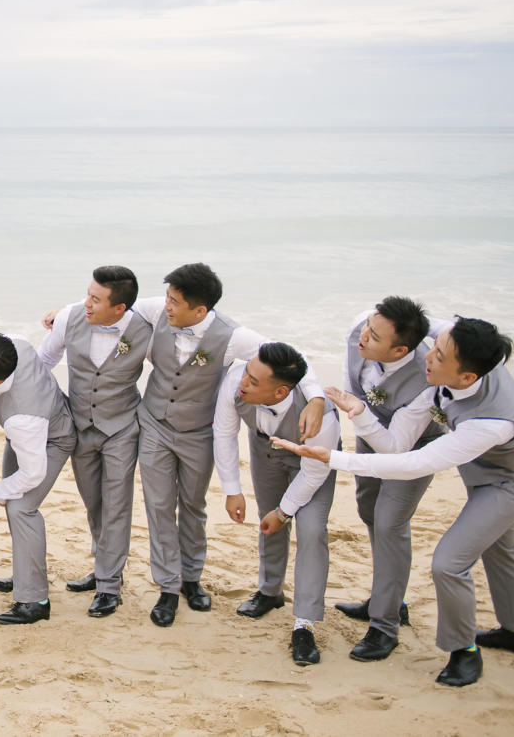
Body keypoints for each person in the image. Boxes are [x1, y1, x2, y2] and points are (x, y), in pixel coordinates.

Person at [275, 317, 514, 687]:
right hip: (479, 466)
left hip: (508, 479)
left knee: (449, 563)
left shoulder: (489, 423)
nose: (427, 357)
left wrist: (331, 458)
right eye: (432, 346)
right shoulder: (456, 344)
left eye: (439, 355)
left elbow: (413, 463)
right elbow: (417, 325)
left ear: (466, 377)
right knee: (501, 545)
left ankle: (464, 652)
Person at [124, 263, 327, 627]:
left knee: (192, 504)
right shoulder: (158, 309)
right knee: (158, 505)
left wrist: (314, 397)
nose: (167, 306)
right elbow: (120, 304)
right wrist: (63, 315)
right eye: (168, 298)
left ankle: (191, 578)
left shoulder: (235, 337)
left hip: (200, 432)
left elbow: (291, 359)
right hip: (154, 423)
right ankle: (168, 587)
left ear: (200, 310)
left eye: (175, 302)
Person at [19, 265, 151, 618]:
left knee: (117, 504)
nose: (87, 303)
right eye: (87, 295)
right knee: (94, 502)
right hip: (80, 425)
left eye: (96, 299)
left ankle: (110, 585)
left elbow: (173, 370)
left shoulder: (146, 329)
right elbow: (44, 361)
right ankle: (102, 566)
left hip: (122, 428)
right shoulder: (70, 318)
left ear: (120, 308)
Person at [213, 343, 339, 665]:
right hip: (263, 450)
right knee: (266, 520)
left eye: (254, 382)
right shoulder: (235, 382)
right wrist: (232, 489)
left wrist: (285, 512)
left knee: (311, 529)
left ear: (281, 390)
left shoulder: (320, 419)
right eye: (247, 373)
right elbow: (225, 433)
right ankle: (270, 592)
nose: (244, 383)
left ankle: (304, 623)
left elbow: (312, 475)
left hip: (311, 463)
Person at [336, 296, 443, 661]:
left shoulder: (426, 381)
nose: (364, 336)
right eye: (368, 326)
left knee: (390, 523)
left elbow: (397, 448)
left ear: (400, 349)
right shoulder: (361, 328)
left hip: (413, 451)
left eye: (375, 335)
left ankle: (384, 625)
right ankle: (388, 598)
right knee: (368, 510)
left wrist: (359, 411)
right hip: (370, 434)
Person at [0, 332, 77, 624]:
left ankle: (35, 601)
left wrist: (1, 490)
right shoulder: (14, 345)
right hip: (27, 437)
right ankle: (23, 575)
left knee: (21, 507)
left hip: (53, 438)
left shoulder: (22, 418)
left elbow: (33, 472)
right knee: (15, 506)